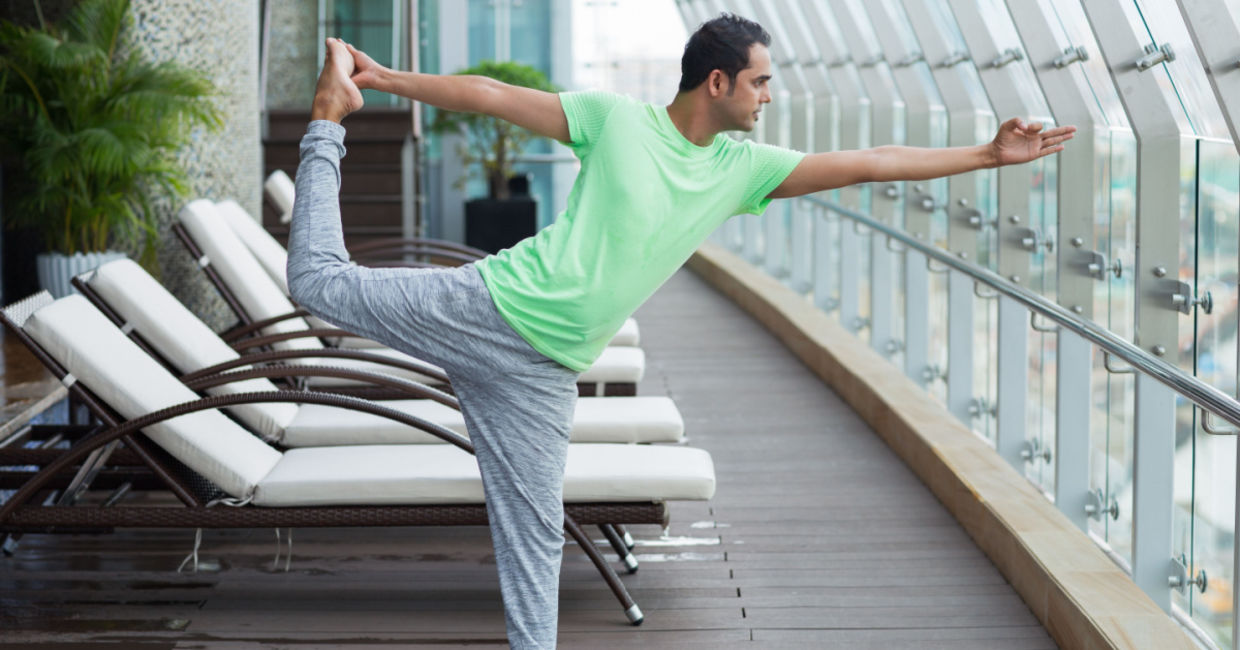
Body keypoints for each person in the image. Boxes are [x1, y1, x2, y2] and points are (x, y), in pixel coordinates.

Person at [287, 13, 1074, 649]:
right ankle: (329, 120)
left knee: (533, 546)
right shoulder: (614, 120)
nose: (769, 97)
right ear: (719, 80)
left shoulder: (742, 170)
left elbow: (871, 160)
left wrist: (983, 156)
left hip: (546, 371)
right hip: (495, 306)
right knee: (319, 283)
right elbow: (491, 95)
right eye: (761, 82)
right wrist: (381, 79)